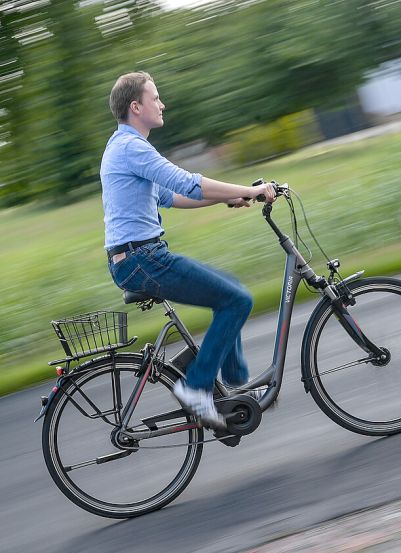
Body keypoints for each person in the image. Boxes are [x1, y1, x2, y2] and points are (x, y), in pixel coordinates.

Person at [101, 71, 276, 429]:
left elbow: (172, 197)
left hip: (138, 258)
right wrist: (252, 189)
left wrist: (232, 198)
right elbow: (188, 183)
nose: (162, 104)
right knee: (236, 300)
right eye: (155, 98)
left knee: (230, 289)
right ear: (136, 107)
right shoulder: (131, 147)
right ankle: (196, 388)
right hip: (142, 259)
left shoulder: (126, 147)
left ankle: (233, 390)